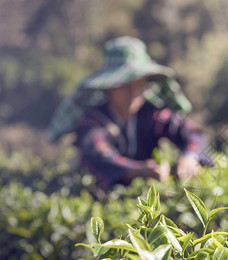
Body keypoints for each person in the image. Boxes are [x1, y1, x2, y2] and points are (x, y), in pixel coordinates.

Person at [47, 36, 211, 189]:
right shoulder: (93, 122)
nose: (133, 93)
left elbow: (191, 132)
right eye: (125, 85)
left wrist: (190, 156)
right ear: (110, 86)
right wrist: (138, 170)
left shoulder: (152, 114)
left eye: (139, 85)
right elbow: (100, 154)